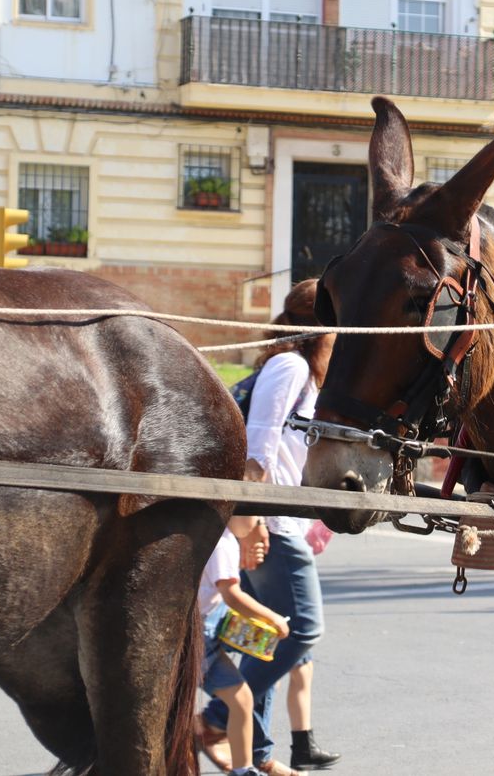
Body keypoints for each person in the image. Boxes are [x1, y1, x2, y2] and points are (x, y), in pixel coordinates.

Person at [199, 280, 340, 775]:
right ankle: (215, 717)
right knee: (302, 628)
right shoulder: (291, 365)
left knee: (263, 635)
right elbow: (257, 442)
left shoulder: (301, 369)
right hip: (270, 520)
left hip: (280, 520)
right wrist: (251, 518)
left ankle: (255, 755)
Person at [196, 517, 289, 776]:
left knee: (242, 700)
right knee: (240, 700)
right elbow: (231, 594)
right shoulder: (222, 543)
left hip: (204, 632)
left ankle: (243, 769)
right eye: (254, 514)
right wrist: (272, 618)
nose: (257, 522)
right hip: (200, 638)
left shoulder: (218, 535)